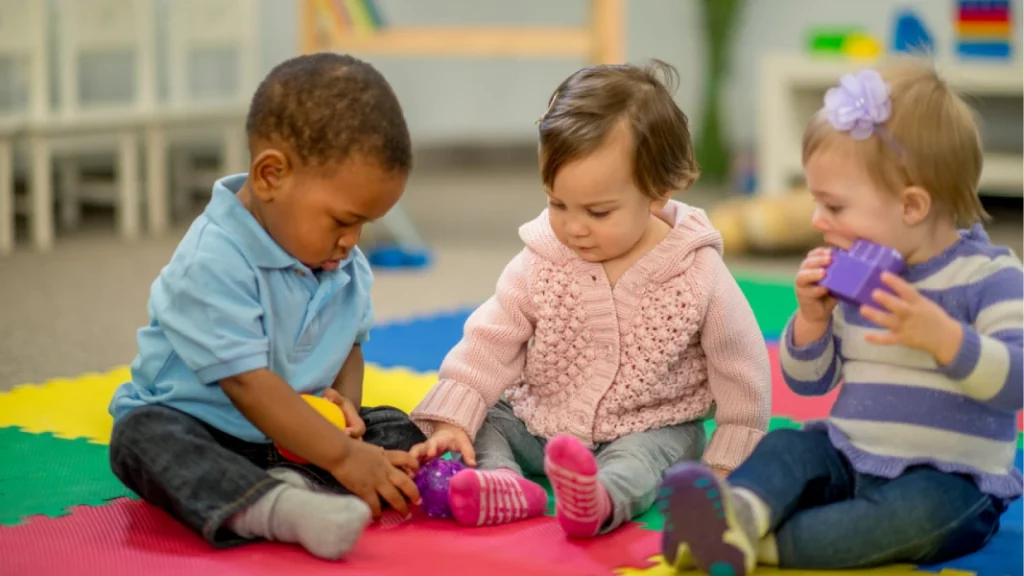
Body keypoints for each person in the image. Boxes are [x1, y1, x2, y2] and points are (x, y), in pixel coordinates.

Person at [659, 58, 1023, 575]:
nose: (816, 220)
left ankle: (750, 547)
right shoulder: (853, 273)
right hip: (850, 453)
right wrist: (810, 322)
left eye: (834, 206)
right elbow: (808, 384)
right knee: (788, 446)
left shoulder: (992, 277)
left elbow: (1017, 382)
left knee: (914, 518)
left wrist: (946, 340)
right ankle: (738, 514)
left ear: (912, 205)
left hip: (953, 481)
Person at [408, 60, 771, 539]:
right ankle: (502, 482)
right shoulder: (541, 259)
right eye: (557, 203)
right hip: (541, 421)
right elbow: (490, 341)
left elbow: (740, 368)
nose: (573, 226)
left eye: (598, 212)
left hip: (649, 426)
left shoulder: (697, 273)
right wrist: (454, 418)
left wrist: (729, 459)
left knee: (650, 459)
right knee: (486, 419)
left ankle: (600, 500)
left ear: (657, 191)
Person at [107, 53, 426, 561]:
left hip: (296, 434)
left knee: (403, 427)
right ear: (271, 175)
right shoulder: (212, 260)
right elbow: (247, 385)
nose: (351, 241)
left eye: (364, 224)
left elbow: (349, 345)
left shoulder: (341, 261)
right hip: (203, 427)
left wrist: (344, 414)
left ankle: (439, 484)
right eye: (343, 220)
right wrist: (342, 455)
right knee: (140, 440)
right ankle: (278, 507)